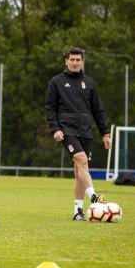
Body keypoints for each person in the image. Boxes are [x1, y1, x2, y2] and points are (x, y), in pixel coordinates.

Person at [45, 47, 110, 221]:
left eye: (78, 60)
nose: (75, 62)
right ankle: (94, 198)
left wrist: (105, 133)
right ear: (66, 61)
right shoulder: (57, 82)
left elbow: (98, 110)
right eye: (72, 59)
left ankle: (78, 211)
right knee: (81, 161)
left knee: (80, 170)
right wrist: (55, 129)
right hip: (67, 130)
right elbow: (50, 108)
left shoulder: (89, 83)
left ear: (82, 62)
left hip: (86, 130)